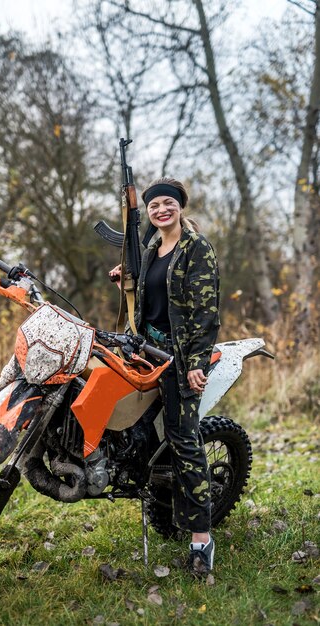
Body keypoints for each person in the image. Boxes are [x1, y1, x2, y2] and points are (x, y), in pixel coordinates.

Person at [109, 177, 220, 576]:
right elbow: (151, 301)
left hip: (179, 356)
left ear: (180, 207)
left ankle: (201, 540)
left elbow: (206, 314)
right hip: (143, 350)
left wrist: (196, 363)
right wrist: (128, 282)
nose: (160, 210)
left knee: (183, 439)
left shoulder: (196, 248)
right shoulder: (151, 249)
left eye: (167, 204)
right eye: (154, 205)